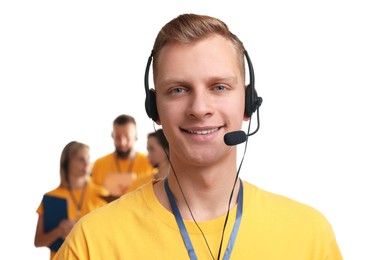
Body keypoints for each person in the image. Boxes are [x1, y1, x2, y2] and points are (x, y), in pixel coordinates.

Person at [54, 13, 342, 259]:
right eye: (178, 89)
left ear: (248, 101)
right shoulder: (92, 242)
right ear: (154, 108)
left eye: (219, 87)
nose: (200, 109)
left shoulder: (310, 236)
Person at [34, 141, 108, 259]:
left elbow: (108, 237)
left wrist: (77, 231)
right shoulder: (51, 197)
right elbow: (38, 241)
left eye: (88, 159)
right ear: (67, 163)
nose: (87, 163)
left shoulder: (101, 194)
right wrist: (59, 231)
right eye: (81, 159)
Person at [90, 114, 154, 200]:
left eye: (127, 137)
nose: (122, 142)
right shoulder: (99, 164)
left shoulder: (149, 162)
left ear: (136, 136)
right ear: (112, 135)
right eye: (118, 137)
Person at [126, 128, 170, 193]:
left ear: (166, 149)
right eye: (148, 150)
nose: (148, 155)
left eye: (152, 149)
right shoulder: (140, 183)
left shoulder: (182, 182)